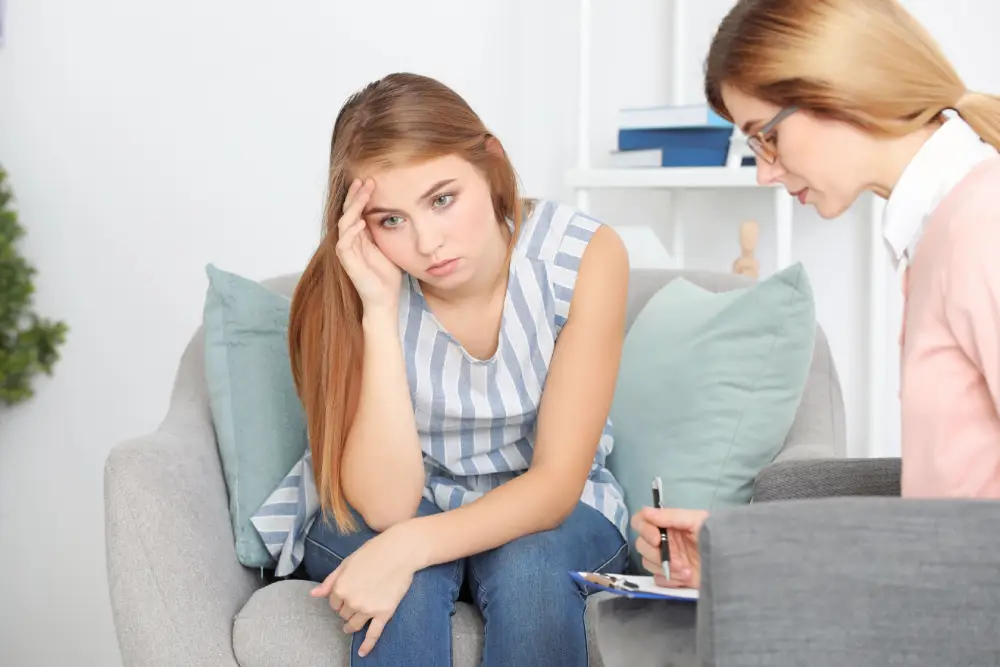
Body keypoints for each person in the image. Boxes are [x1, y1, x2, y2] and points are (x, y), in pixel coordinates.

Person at [258, 72, 631, 665]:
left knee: (529, 568)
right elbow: (387, 508)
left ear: (491, 163)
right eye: (390, 219)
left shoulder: (583, 255)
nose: (428, 242)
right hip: (396, 500)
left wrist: (409, 547)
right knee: (400, 588)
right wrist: (378, 313)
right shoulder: (356, 280)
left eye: (441, 199)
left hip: (545, 508)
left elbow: (556, 484)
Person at [634, 0, 1000, 590]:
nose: (764, 172)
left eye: (766, 137)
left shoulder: (983, 227)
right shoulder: (943, 231)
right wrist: (744, 555)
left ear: (840, 88)